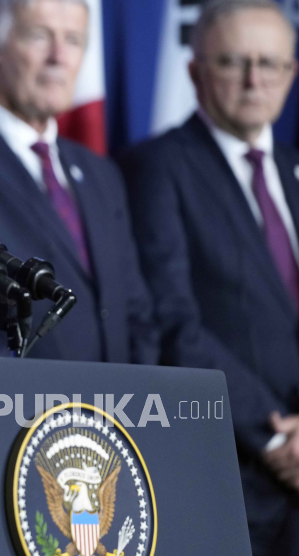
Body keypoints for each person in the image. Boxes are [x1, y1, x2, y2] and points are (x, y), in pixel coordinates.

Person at [118, 1, 299, 551]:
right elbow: (172, 319)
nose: (254, 80)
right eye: (233, 62)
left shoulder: (292, 171)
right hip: (235, 473)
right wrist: (273, 436)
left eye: (270, 63)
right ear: (195, 71)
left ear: (291, 73)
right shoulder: (156, 166)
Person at [0, 0, 157, 362]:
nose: (59, 57)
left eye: (74, 40)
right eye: (39, 36)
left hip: (121, 413)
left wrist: (137, 404)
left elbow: (136, 310)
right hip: (32, 413)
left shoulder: (101, 172)